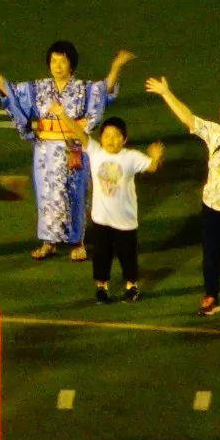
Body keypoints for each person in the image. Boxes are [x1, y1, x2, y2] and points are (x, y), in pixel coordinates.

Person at [0, 43, 135, 262]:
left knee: (75, 194)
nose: (57, 66)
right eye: (53, 61)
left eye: (62, 61)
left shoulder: (83, 89)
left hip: (73, 148)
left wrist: (116, 67)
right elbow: (10, 92)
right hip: (45, 151)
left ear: (71, 65)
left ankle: (78, 242)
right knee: (46, 196)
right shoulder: (38, 88)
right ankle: (48, 241)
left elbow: (103, 92)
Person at [146, 78, 220, 315]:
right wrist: (166, 93)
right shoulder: (215, 133)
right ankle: (210, 297)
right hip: (212, 209)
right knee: (211, 255)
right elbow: (188, 117)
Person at [49, 110, 164, 303]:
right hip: (101, 219)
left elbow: (151, 167)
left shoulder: (131, 157)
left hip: (125, 220)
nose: (111, 140)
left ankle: (131, 285)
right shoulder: (95, 151)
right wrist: (62, 115)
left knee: (127, 255)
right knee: (101, 256)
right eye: (107, 135)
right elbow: (79, 132)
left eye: (116, 136)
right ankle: (102, 287)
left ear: (124, 140)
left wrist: (155, 157)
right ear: (100, 138)